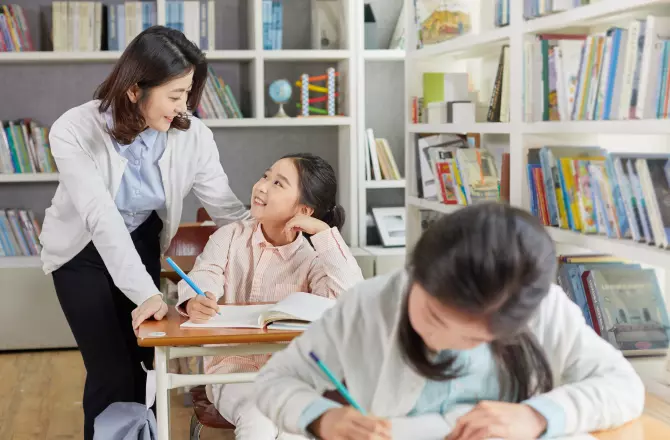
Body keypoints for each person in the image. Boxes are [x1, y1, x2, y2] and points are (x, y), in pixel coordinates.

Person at [253, 202, 645, 440]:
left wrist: (537, 416)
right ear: (415, 273)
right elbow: (274, 381)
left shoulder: (544, 309)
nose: (444, 342)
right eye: (434, 316)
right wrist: (322, 418)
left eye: (475, 337)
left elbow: (622, 387)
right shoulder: (367, 305)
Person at [39, 25, 249, 440]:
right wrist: (149, 294)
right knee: (110, 369)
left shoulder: (193, 136)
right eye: (174, 95)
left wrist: (282, 243)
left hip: (140, 241)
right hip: (81, 254)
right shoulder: (73, 129)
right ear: (135, 89)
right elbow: (101, 218)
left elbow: (226, 210)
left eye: (187, 94)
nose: (182, 106)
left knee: (143, 362)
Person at [176, 152, 364, 440]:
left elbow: (350, 302)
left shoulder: (315, 255)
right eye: (266, 176)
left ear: (304, 210)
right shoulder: (229, 237)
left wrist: (325, 235)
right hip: (230, 369)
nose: (261, 186)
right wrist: (196, 299)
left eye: (278, 183)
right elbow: (205, 274)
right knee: (259, 415)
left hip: (293, 374)